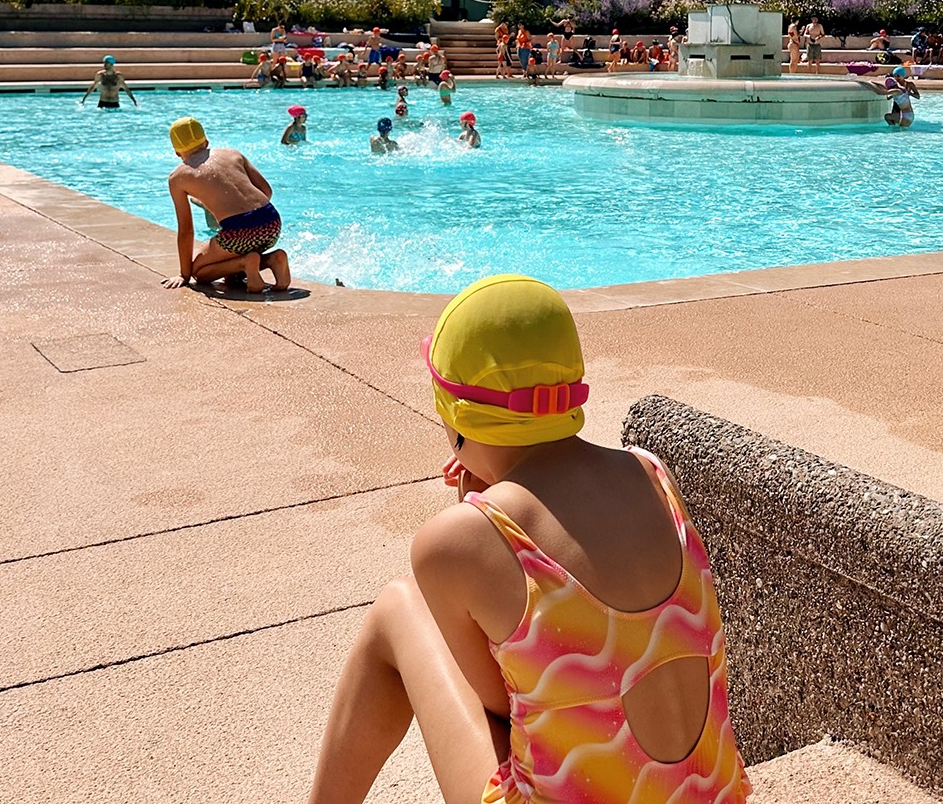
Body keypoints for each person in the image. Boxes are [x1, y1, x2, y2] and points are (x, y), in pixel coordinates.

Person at [306, 274, 752, 804]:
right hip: (714, 798)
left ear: (451, 410)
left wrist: (477, 514)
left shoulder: (458, 540)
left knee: (396, 608)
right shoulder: (652, 474)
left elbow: (500, 700)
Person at [162, 117, 289, 293]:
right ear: (206, 141)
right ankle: (272, 259)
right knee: (232, 267)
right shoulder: (233, 153)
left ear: (176, 152)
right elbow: (266, 191)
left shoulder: (177, 178)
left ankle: (246, 262)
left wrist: (184, 274)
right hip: (272, 222)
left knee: (199, 272)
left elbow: (186, 230)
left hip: (239, 232)